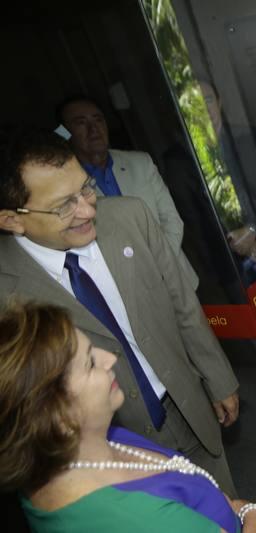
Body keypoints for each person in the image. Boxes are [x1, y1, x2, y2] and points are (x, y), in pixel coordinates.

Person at [0, 128, 240, 496]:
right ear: (12, 220)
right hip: (104, 454)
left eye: (86, 188)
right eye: (64, 205)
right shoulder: (7, 293)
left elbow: (182, 304)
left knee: (225, 507)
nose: (88, 209)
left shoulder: (131, 217)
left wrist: (218, 379)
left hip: (188, 407)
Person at [0, 300, 256, 532]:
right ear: (58, 417)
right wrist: (254, 513)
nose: (109, 358)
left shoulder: (99, 440)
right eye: (90, 363)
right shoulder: (136, 519)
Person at [56, 95, 199, 289]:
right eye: (81, 123)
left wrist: (157, 265)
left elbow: (172, 220)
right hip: (127, 290)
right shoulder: (65, 186)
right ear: (65, 133)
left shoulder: (140, 162)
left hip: (176, 277)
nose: (93, 129)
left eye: (98, 120)